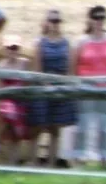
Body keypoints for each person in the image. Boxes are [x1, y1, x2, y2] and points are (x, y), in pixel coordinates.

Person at [74, 5, 106, 167]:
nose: (99, 21)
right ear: (89, 19)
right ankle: (80, 157)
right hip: (87, 87)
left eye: (102, 17)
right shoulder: (82, 41)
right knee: (83, 123)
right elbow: (74, 65)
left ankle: (105, 158)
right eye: (96, 17)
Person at [28, 10, 77, 168]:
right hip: (43, 87)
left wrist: (64, 85)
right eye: (52, 20)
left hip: (61, 87)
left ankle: (51, 163)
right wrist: (45, 84)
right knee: (38, 126)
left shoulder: (66, 43)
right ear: (47, 22)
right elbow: (37, 68)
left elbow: (70, 69)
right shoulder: (40, 43)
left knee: (55, 128)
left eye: (57, 21)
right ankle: (33, 161)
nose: (55, 24)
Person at [0, 42, 32, 165]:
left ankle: (12, 162)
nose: (13, 51)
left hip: (21, 99)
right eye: (10, 48)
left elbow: (30, 81)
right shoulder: (0, 65)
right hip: (6, 99)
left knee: (15, 134)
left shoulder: (24, 63)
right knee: (10, 112)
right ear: (5, 50)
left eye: (15, 48)